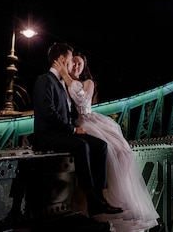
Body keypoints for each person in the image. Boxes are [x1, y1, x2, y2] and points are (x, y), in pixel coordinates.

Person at [56, 51, 160, 231]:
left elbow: (82, 98)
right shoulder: (61, 82)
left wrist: (66, 75)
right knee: (109, 153)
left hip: (91, 120)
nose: (76, 67)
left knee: (124, 152)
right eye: (73, 63)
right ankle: (100, 200)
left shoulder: (87, 82)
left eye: (79, 64)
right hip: (79, 124)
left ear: (84, 67)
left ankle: (118, 199)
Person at [32, 42, 123, 217]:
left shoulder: (62, 83)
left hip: (61, 132)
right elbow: (49, 114)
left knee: (100, 145)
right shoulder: (44, 80)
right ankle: (91, 198)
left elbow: (72, 109)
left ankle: (100, 197)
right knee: (82, 146)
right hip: (48, 135)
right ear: (60, 59)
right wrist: (73, 130)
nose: (71, 64)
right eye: (68, 60)